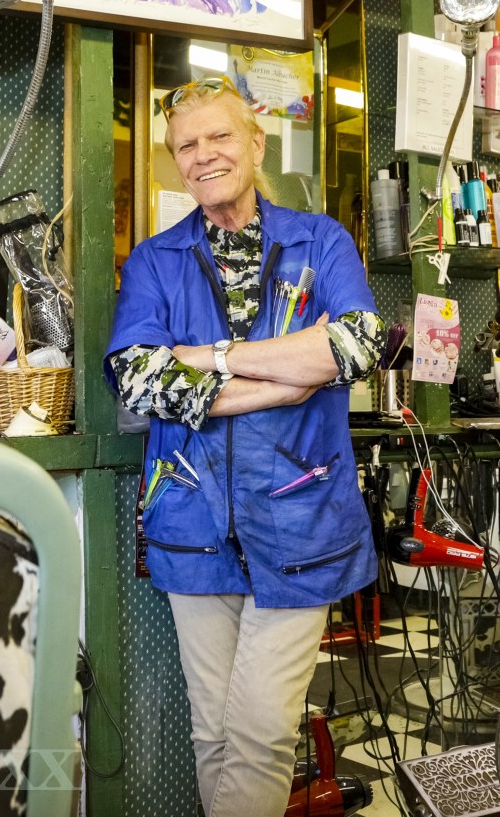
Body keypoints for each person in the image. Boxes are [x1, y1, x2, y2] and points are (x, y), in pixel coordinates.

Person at [104, 78, 386, 817]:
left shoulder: (321, 240)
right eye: (185, 146)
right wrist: (280, 377)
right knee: (215, 733)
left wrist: (209, 357)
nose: (203, 156)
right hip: (192, 518)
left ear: (256, 144)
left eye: (219, 137)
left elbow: (355, 346)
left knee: (261, 732)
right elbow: (139, 377)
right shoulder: (155, 261)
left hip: (300, 518)